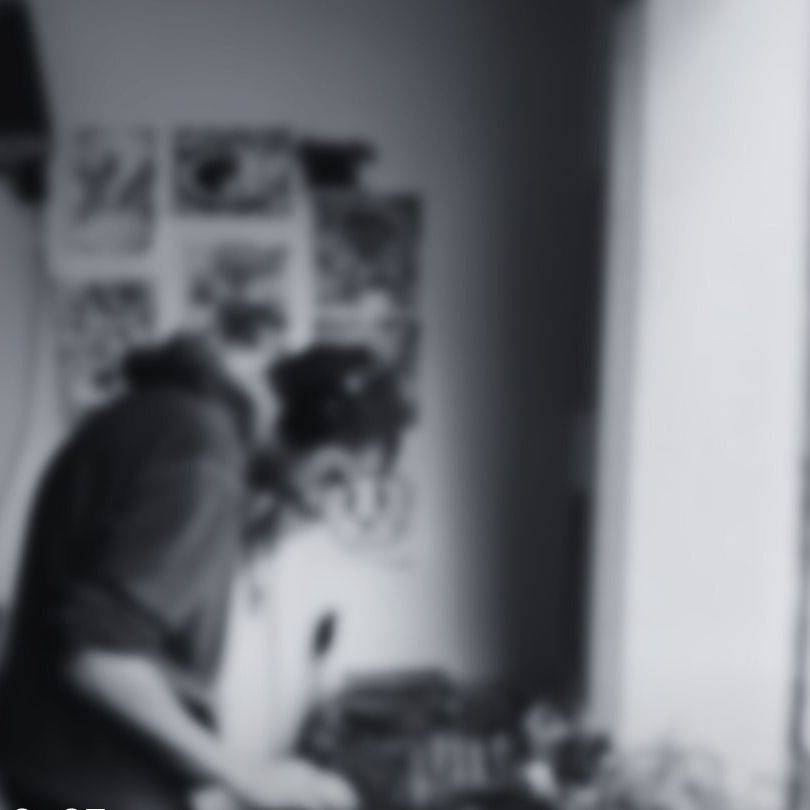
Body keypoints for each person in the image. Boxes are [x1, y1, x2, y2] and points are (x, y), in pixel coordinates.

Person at [0, 311, 411, 810]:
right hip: (92, 787)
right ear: (304, 423)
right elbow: (100, 658)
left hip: (61, 774)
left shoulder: (170, 418)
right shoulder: (205, 454)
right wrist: (252, 779)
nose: (320, 504)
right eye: (332, 476)